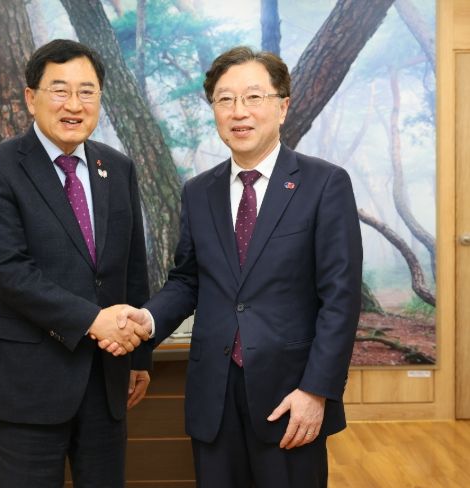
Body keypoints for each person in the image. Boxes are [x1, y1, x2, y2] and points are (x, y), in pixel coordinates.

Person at [112, 47, 363, 487]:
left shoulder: (324, 184)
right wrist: (146, 320)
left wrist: (316, 390)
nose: (238, 111)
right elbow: (188, 280)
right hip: (214, 394)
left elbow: (341, 299)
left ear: (282, 106)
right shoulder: (198, 192)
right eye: (225, 99)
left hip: (290, 394)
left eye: (253, 97)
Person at [0, 39, 151, 488]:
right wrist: (93, 321)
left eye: (87, 92)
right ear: (31, 98)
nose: (74, 104)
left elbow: (131, 268)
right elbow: (10, 272)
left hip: (107, 380)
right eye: (60, 90)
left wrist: (139, 357)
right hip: (27, 385)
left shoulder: (118, 167)